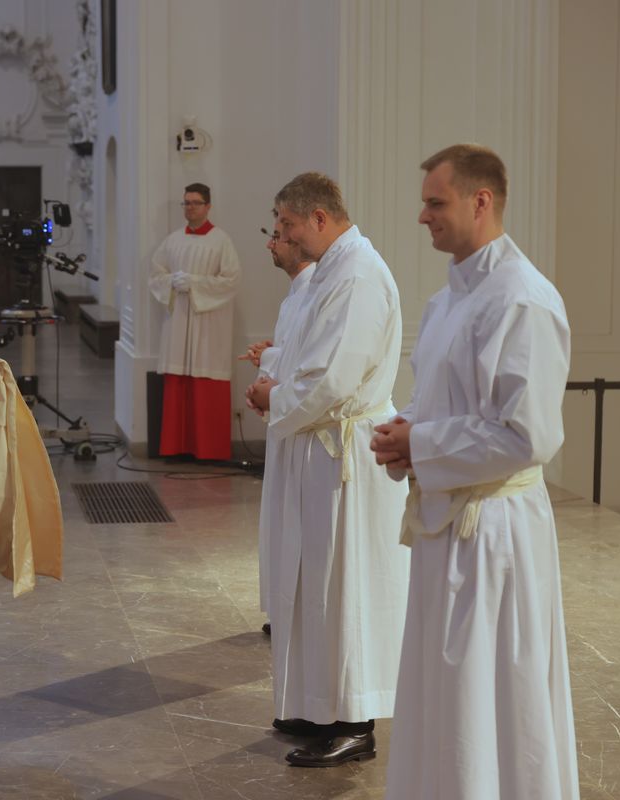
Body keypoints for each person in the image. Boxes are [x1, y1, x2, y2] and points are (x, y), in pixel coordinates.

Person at [372, 145, 579, 800]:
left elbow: (527, 435)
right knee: (445, 695)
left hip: (494, 534)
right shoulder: (451, 300)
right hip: (449, 523)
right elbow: (445, 403)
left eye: (436, 202)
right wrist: (406, 435)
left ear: (480, 201)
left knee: (492, 699)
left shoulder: (522, 301)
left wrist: (423, 442)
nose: (422, 215)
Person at [245, 172, 409, 767]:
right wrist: (275, 375)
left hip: (344, 455)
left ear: (318, 218)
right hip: (315, 447)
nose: (279, 235)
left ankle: (353, 720)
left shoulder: (359, 275)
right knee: (310, 581)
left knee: (343, 586)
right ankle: (315, 704)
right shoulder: (330, 274)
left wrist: (273, 397)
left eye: (285, 225)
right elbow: (308, 352)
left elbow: (333, 377)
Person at [240, 224, 315, 636]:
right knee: (280, 519)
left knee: (294, 522)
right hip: (288, 417)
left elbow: (311, 366)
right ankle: (283, 609)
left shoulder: (313, 290)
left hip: (310, 427)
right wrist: (270, 355)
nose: (270, 242)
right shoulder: (297, 293)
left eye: (279, 234)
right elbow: (296, 355)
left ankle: (293, 611)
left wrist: (271, 364)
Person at [148, 182, 242, 461]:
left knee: (206, 379)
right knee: (179, 381)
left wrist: (196, 284)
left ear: (208, 206)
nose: (190, 208)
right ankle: (176, 447)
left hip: (208, 323)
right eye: (186, 203)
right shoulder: (173, 239)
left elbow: (232, 280)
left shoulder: (221, 240)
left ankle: (210, 450)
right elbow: (155, 274)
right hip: (179, 321)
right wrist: (172, 282)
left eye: (195, 203)